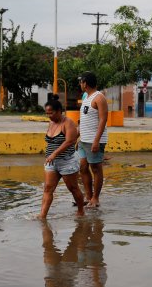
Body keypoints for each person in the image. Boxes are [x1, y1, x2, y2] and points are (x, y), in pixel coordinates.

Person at [39, 95, 85, 219]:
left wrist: (54, 153)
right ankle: (42, 216)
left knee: (73, 188)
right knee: (48, 188)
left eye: (51, 113)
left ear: (59, 111)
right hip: (52, 162)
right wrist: (51, 155)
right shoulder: (51, 123)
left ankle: (81, 211)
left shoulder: (68, 123)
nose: (49, 115)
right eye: (47, 113)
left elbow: (70, 141)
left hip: (67, 161)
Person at [77, 71, 108, 208]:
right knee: (83, 168)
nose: (80, 84)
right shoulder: (86, 97)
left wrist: (96, 141)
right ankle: (88, 196)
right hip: (84, 140)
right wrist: (77, 137)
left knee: (96, 168)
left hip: (94, 140)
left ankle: (96, 198)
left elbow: (103, 120)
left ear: (85, 83)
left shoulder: (99, 98)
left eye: (81, 82)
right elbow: (84, 119)